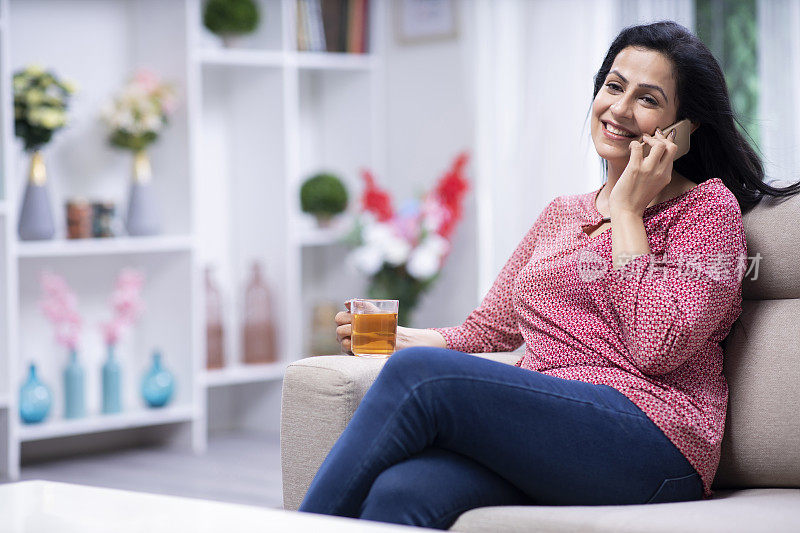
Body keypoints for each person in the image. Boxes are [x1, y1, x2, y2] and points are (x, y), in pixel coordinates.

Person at [298, 21, 800, 530]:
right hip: (552, 427)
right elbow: (487, 330)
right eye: (613, 86)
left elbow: (656, 346)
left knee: (419, 377)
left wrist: (628, 211)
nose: (620, 109)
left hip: (656, 443)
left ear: (684, 129)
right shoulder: (562, 212)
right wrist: (404, 339)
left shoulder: (706, 209)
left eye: (648, 99)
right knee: (402, 493)